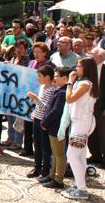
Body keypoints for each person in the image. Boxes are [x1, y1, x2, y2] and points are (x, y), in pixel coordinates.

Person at [60, 57, 99, 200]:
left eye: (79, 66)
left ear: (86, 69)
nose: (76, 69)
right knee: (80, 155)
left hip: (81, 122)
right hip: (81, 121)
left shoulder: (85, 84)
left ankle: (82, 188)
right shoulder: (87, 83)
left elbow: (69, 99)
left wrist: (69, 82)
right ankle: (79, 184)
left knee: (72, 155)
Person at [41, 67, 71, 189]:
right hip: (52, 127)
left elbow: (56, 111)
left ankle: (58, 179)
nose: (54, 78)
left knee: (59, 154)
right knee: (55, 153)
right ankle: (52, 174)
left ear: (64, 79)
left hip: (56, 127)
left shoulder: (63, 93)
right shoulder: (60, 90)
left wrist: (45, 122)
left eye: (56, 76)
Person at [26, 65, 56, 181]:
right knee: (37, 145)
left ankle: (45, 170)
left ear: (47, 77)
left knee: (45, 147)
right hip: (37, 119)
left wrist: (36, 99)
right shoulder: (43, 87)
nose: (38, 78)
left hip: (44, 121)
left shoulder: (51, 90)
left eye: (40, 76)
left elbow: (45, 107)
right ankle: (37, 167)